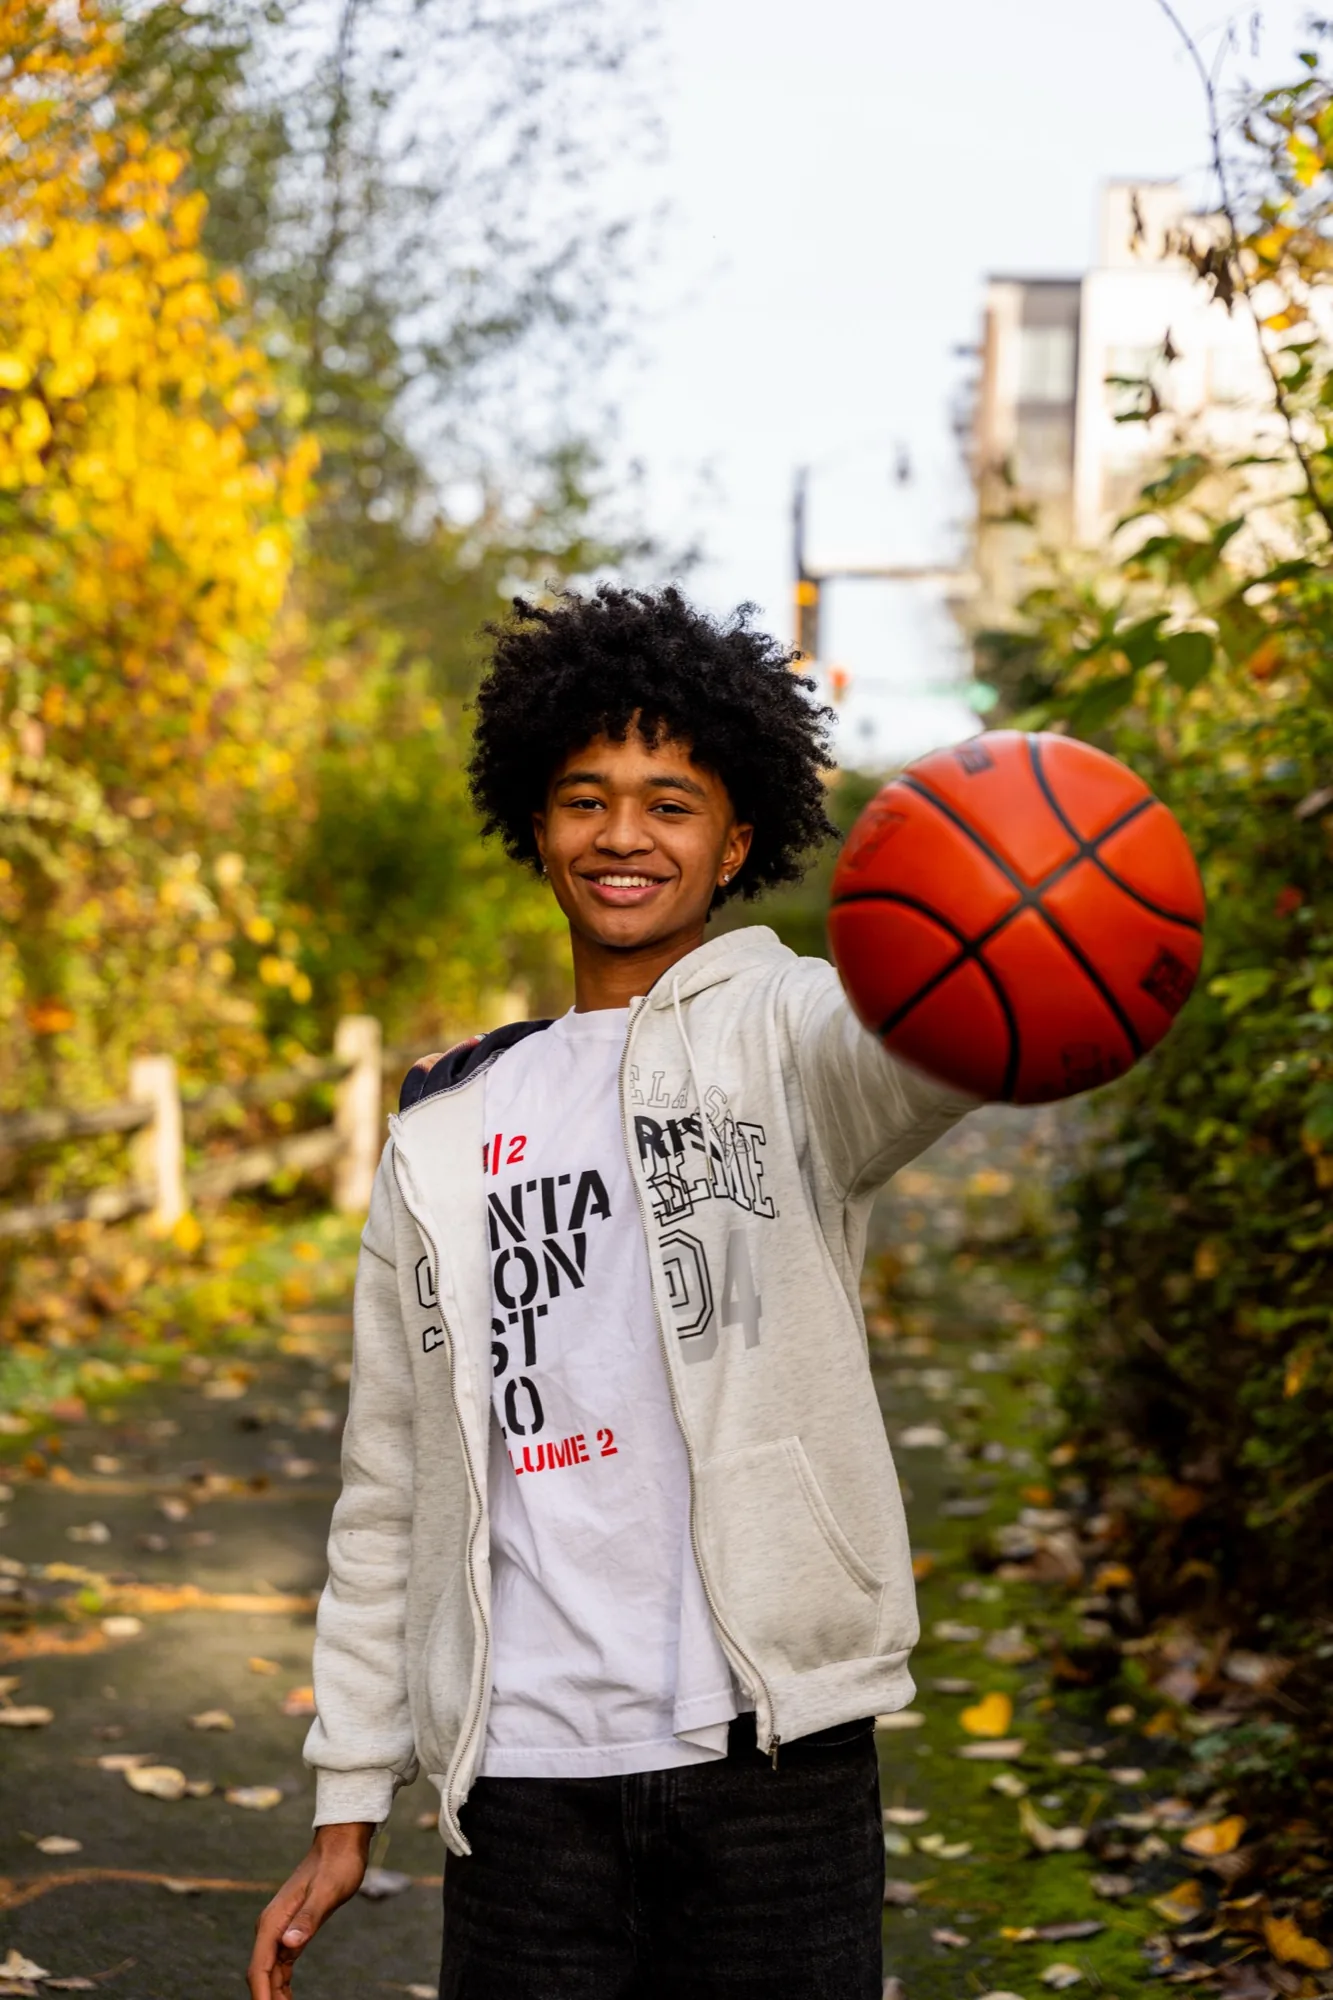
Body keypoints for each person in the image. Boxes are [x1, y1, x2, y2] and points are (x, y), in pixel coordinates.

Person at [248, 585, 976, 2000]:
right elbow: (390, 1478)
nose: (625, 835)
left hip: (773, 1760)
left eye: (670, 801)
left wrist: (1006, 925)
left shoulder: (792, 1035)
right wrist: (349, 1785)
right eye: (587, 799)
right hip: (524, 1781)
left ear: (737, 838)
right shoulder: (444, 1129)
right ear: (537, 824)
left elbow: (932, 1048)